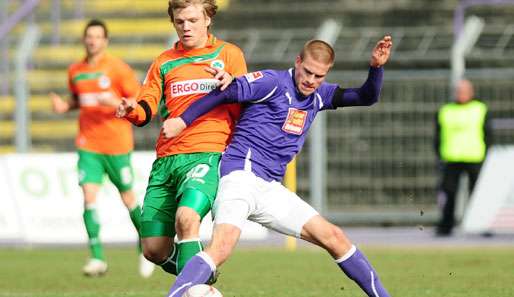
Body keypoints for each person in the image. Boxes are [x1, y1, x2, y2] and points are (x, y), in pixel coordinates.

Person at [162, 36, 393, 297]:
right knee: (221, 249)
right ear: (297, 62)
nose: (311, 80)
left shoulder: (320, 94)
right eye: (307, 72)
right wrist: (182, 121)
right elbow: (226, 91)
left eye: (319, 76)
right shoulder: (272, 82)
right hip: (241, 175)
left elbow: (366, 97)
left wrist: (376, 67)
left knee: (334, 237)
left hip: (269, 188)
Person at [116, 0, 247, 277]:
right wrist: (132, 110)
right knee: (153, 249)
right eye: (180, 22)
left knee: (186, 218)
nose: (186, 27)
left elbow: (248, 100)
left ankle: (192, 289)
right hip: (167, 160)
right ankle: (202, 275)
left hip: (207, 153)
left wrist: (233, 85)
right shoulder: (164, 61)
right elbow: (146, 106)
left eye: (192, 20)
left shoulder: (229, 54)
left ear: (207, 18)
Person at [50, 19, 154, 277]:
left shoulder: (117, 69)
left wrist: (117, 100)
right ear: (85, 39)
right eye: (89, 36)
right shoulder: (75, 70)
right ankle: (97, 257)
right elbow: (79, 99)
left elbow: (139, 99)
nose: (92, 40)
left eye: (97, 36)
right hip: (88, 144)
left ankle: (148, 246)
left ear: (105, 41)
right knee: (88, 197)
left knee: (128, 198)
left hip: (117, 144)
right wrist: (66, 106)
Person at [433, 79, 492, 236]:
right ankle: (446, 226)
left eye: (464, 91)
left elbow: (488, 134)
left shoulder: (480, 108)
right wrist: (438, 155)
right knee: (449, 194)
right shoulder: (445, 110)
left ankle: (481, 225)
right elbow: (437, 136)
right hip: (451, 157)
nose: (461, 94)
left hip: (475, 157)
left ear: (471, 92)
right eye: (459, 91)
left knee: (479, 194)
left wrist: (487, 154)